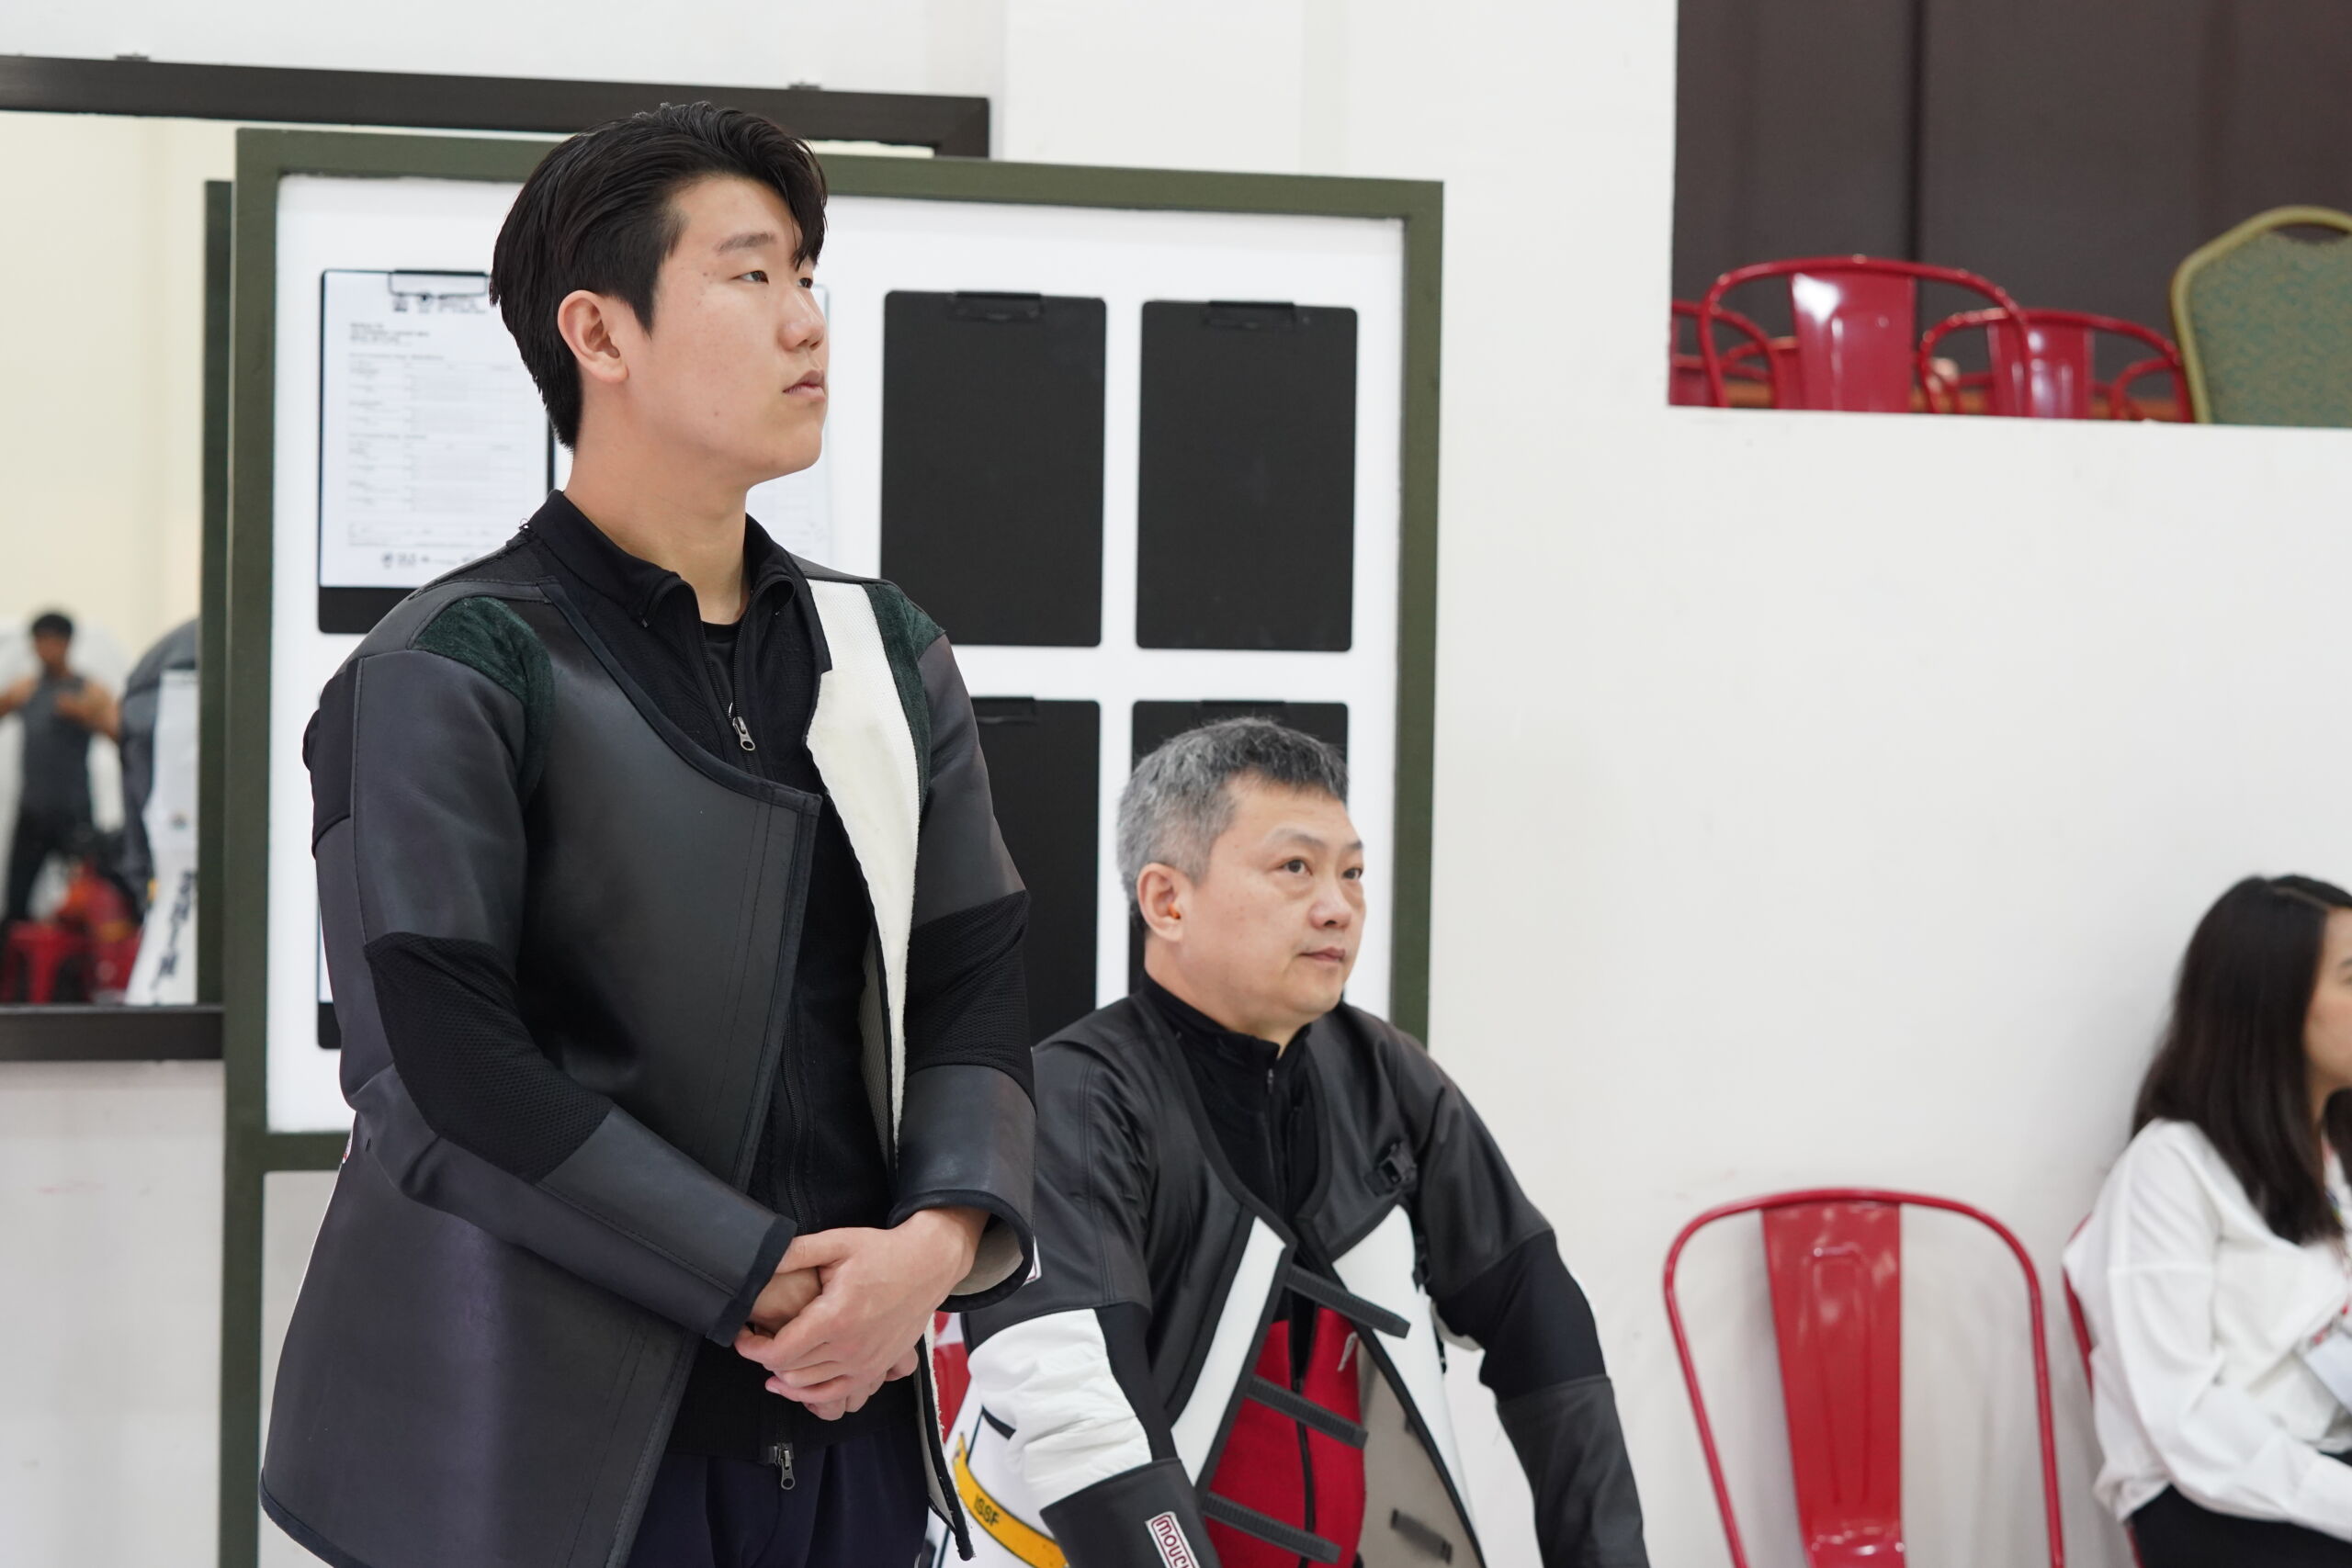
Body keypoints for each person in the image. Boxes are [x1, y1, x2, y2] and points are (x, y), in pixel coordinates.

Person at [261, 104, 1038, 1568]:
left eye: (806, 275)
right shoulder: (448, 664)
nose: (806, 320)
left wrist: (935, 1246)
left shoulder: (889, 652)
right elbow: (438, 1071)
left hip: (848, 1418)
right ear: (598, 333)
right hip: (550, 1451)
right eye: (750, 275)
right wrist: (753, 1270)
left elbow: (974, 980)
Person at [942, 719, 1648, 1568]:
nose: (1338, 905)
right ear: (1168, 900)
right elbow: (1076, 1407)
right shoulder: (1075, 1097)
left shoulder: (1384, 1074)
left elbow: (1538, 1314)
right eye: (1295, 868)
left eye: (1351, 871)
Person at [2067, 874, 2352, 1566]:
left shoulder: (2333, 1153)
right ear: (2272, 1002)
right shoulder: (2169, 1167)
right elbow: (2185, 1418)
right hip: (2215, 1491)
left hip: (2325, 1460)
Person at [1, 611, 113, 933]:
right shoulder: (26, 689)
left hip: (73, 813)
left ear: (67, 644)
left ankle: (83, 963)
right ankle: (15, 963)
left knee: (87, 899)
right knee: (17, 902)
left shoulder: (88, 690)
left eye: (52, 642)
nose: (46, 650)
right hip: (33, 811)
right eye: (40, 642)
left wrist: (84, 715)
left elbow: (120, 733)